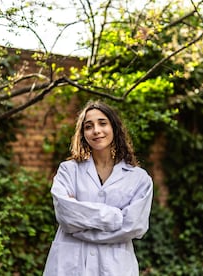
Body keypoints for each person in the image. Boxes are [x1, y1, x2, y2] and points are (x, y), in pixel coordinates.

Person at [43, 100, 153, 276]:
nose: (96, 130)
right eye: (88, 126)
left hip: (115, 267)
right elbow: (65, 214)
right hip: (69, 263)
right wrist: (116, 216)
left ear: (114, 128)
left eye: (102, 123)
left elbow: (134, 226)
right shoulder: (68, 170)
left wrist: (80, 221)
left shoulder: (139, 178)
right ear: (83, 133)